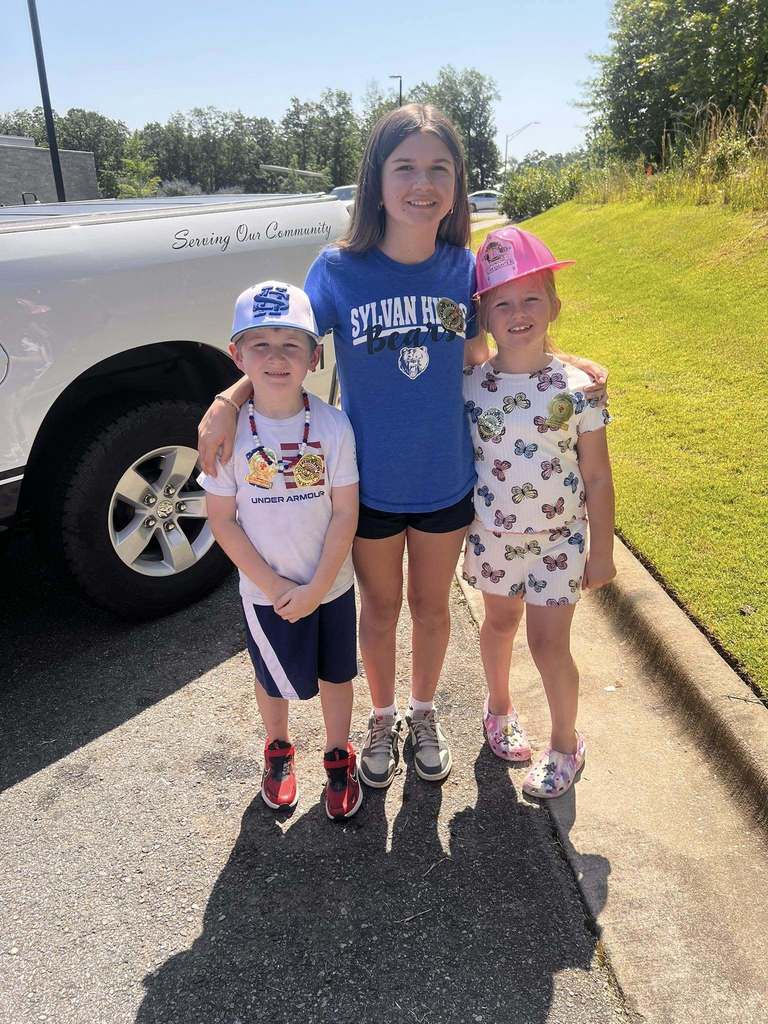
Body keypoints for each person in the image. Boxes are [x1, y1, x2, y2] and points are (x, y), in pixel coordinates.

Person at [198, 105, 608, 792]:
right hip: (367, 485)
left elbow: (493, 350)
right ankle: (381, 717)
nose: (423, 183)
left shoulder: (463, 269)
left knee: (432, 608)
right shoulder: (338, 270)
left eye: (439, 168)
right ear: (376, 180)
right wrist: (227, 400)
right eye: (406, 167)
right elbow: (284, 349)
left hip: (446, 479)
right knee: (381, 610)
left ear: (458, 181)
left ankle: (423, 713)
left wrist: (563, 366)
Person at [199, 281, 362, 820]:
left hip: (330, 585)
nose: (276, 357)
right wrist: (274, 586)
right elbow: (222, 520)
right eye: (261, 344)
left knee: (337, 674)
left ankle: (337, 755)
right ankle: (277, 749)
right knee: (271, 677)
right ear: (237, 355)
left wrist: (318, 587)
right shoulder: (227, 436)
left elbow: (345, 512)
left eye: (292, 344)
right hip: (265, 591)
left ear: (315, 357)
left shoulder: (334, 426)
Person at [462, 226, 616, 798]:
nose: (518, 313)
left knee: (550, 645)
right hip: (493, 537)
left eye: (532, 298)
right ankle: (498, 708)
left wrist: (602, 552)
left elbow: (597, 477)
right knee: (500, 624)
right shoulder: (470, 386)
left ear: (554, 305)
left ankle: (565, 744)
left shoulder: (579, 390)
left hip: (559, 541)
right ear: (484, 315)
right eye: (502, 303)